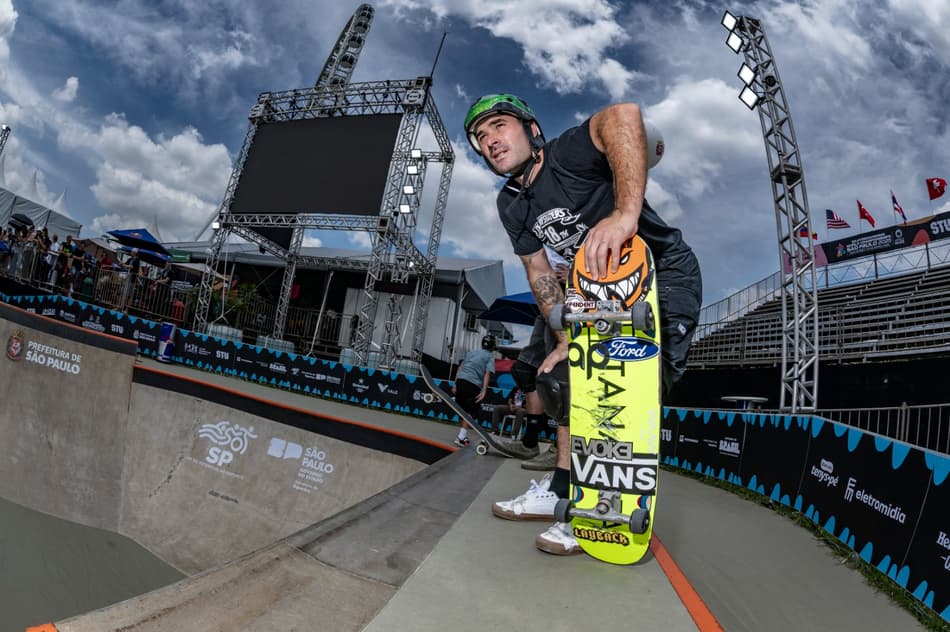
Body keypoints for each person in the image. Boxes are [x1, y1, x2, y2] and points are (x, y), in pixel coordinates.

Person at [464, 94, 702, 555]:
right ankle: (562, 491)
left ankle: (603, 506)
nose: (490, 140)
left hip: (661, 275)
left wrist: (625, 214)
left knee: (631, 387)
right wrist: (564, 338)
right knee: (562, 380)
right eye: (480, 136)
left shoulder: (566, 154)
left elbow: (623, 115)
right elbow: (537, 272)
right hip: (599, 292)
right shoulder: (511, 203)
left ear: (531, 129)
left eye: (499, 125)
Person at [450, 334, 497, 447]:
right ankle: (461, 437)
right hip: (472, 384)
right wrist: (484, 391)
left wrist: (455, 384)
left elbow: (460, 367)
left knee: (464, 410)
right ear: (492, 346)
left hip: (461, 381)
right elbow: (487, 374)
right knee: (471, 411)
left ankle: (463, 434)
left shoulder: (472, 352)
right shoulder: (490, 356)